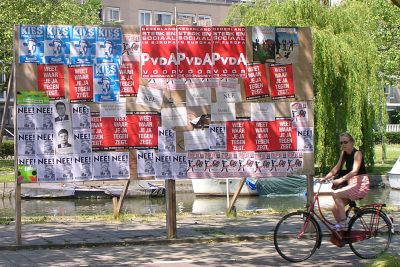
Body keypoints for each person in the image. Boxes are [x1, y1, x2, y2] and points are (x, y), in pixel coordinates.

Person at [318, 132, 370, 230]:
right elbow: (336, 168)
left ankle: (343, 223)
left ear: (352, 142)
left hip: (360, 184)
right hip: (352, 184)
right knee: (334, 208)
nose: (343, 145)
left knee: (335, 193)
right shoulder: (344, 153)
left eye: (345, 142)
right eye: (341, 143)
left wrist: (340, 180)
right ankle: (343, 231)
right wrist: (325, 178)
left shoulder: (357, 153)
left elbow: (354, 171)